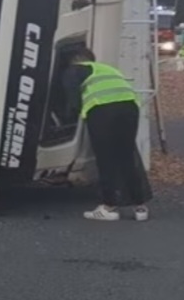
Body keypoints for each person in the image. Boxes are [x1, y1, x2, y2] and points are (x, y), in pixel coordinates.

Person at [62, 46, 153, 221]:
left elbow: (72, 97)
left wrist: (71, 114)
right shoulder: (107, 69)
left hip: (103, 110)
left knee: (106, 157)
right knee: (127, 155)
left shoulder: (75, 69)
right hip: (129, 108)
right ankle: (140, 207)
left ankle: (109, 206)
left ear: (75, 59)